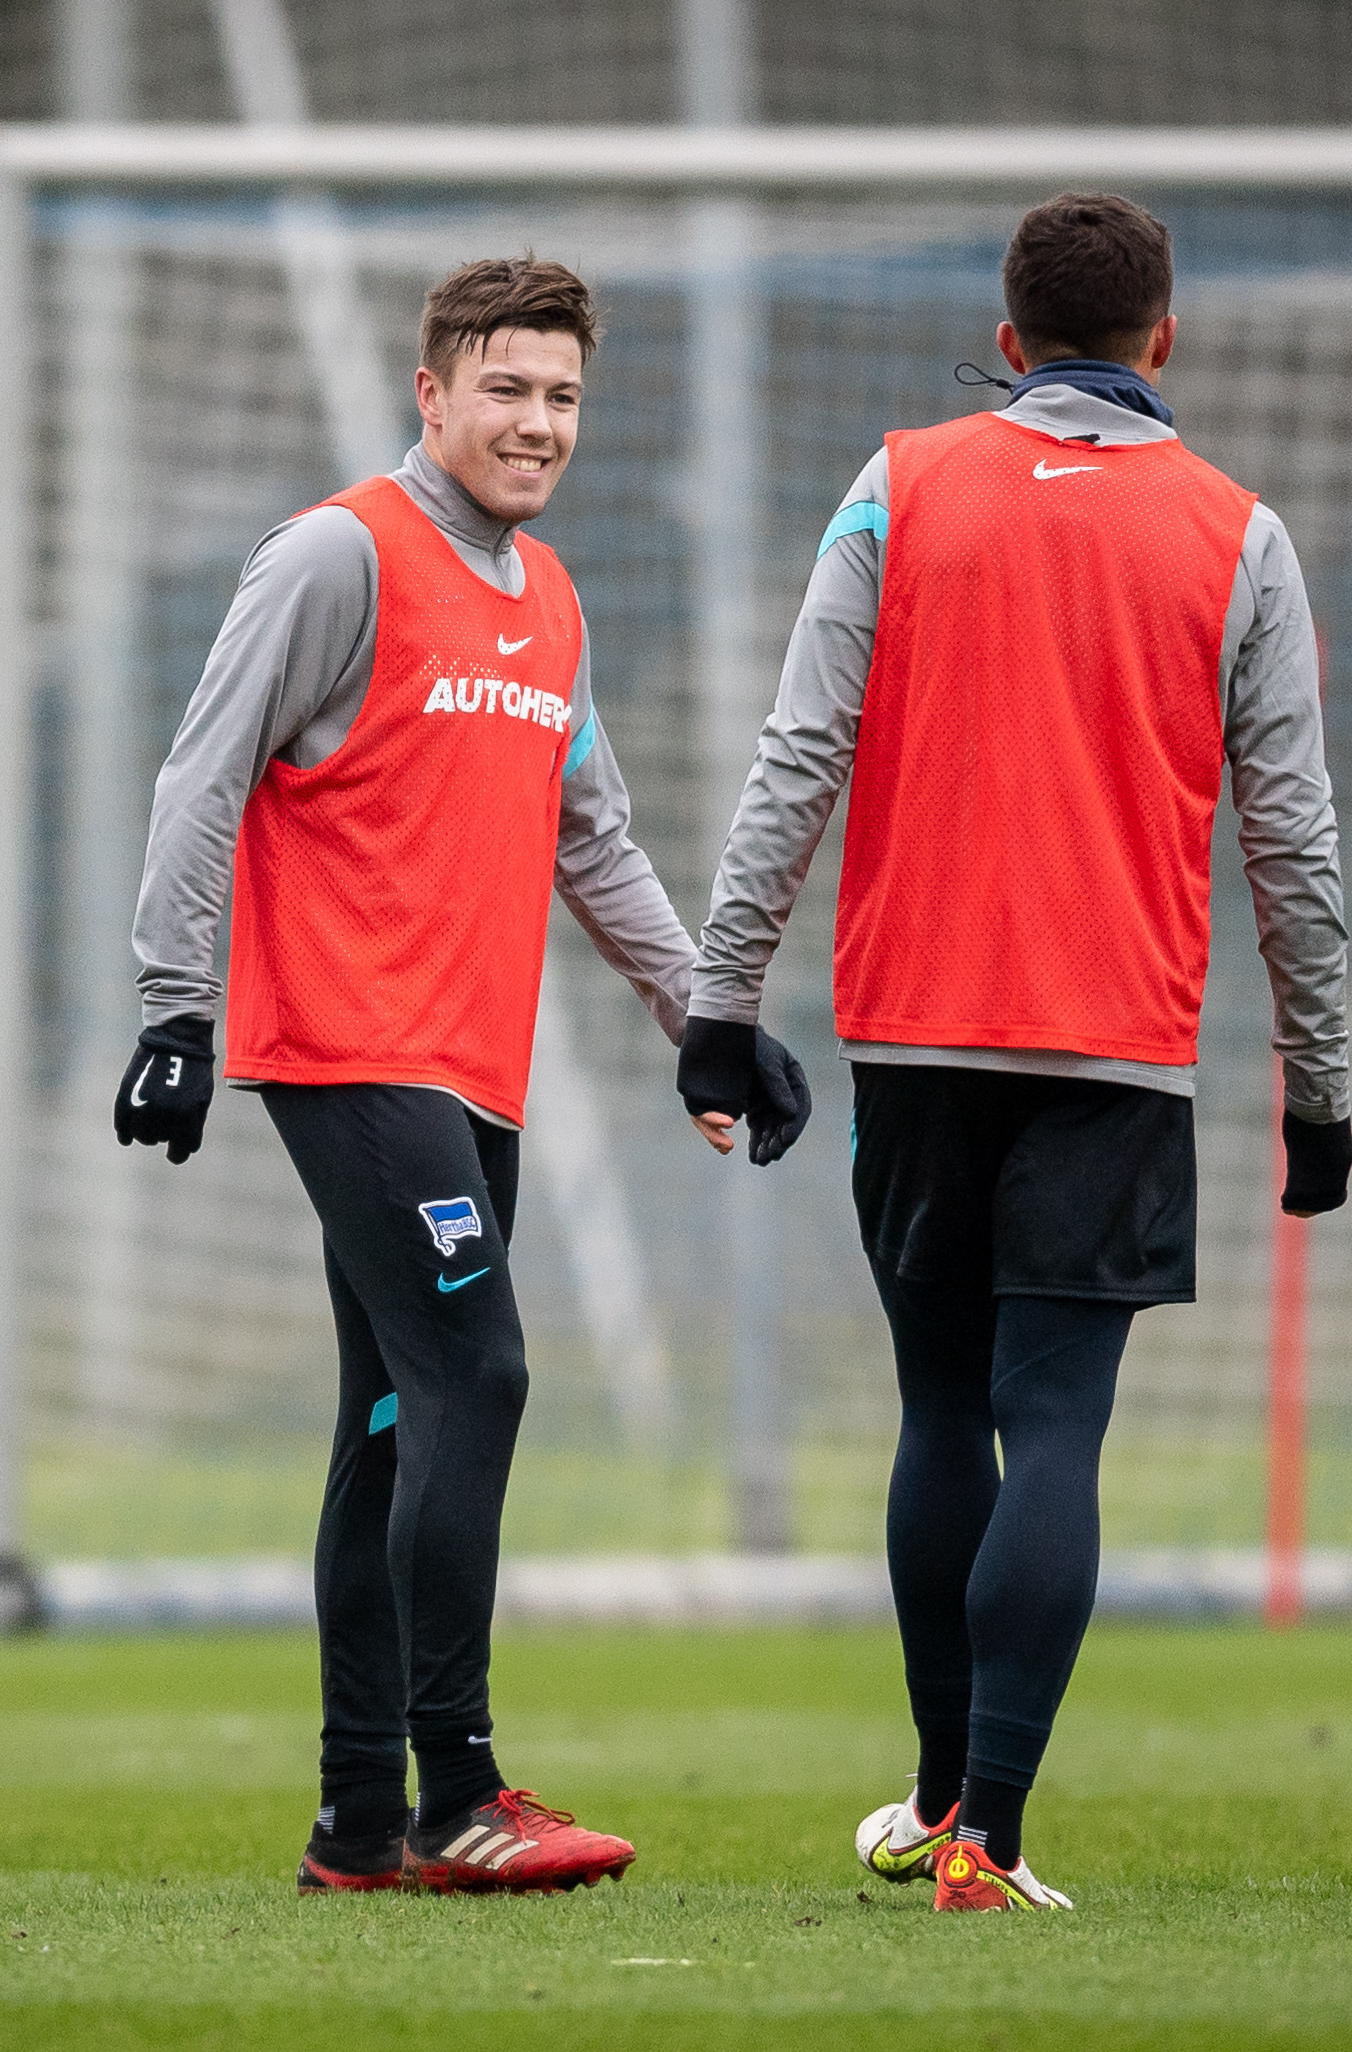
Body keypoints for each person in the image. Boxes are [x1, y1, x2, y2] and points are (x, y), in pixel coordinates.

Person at [679, 193, 1351, 1912]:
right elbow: (1295, 845)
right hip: (1113, 1052)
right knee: (1055, 1427)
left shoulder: (896, 485)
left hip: (913, 1036)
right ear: (1163, 338)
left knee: (939, 1409)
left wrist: (719, 998)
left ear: (1005, 322)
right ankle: (991, 1822)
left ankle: (931, 1790)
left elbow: (794, 759)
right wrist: (1320, 1089)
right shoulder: (1237, 533)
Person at [121, 257, 813, 1895]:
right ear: (431, 392)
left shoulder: (552, 602)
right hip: (348, 1051)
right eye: (506, 387)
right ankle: (462, 1795)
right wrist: (174, 1003)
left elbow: (597, 839)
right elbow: (202, 768)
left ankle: (358, 1826)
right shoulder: (337, 555)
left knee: (387, 1425)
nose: (537, 421)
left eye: (563, 394)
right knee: (479, 1374)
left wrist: (703, 1017)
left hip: (471, 1071)